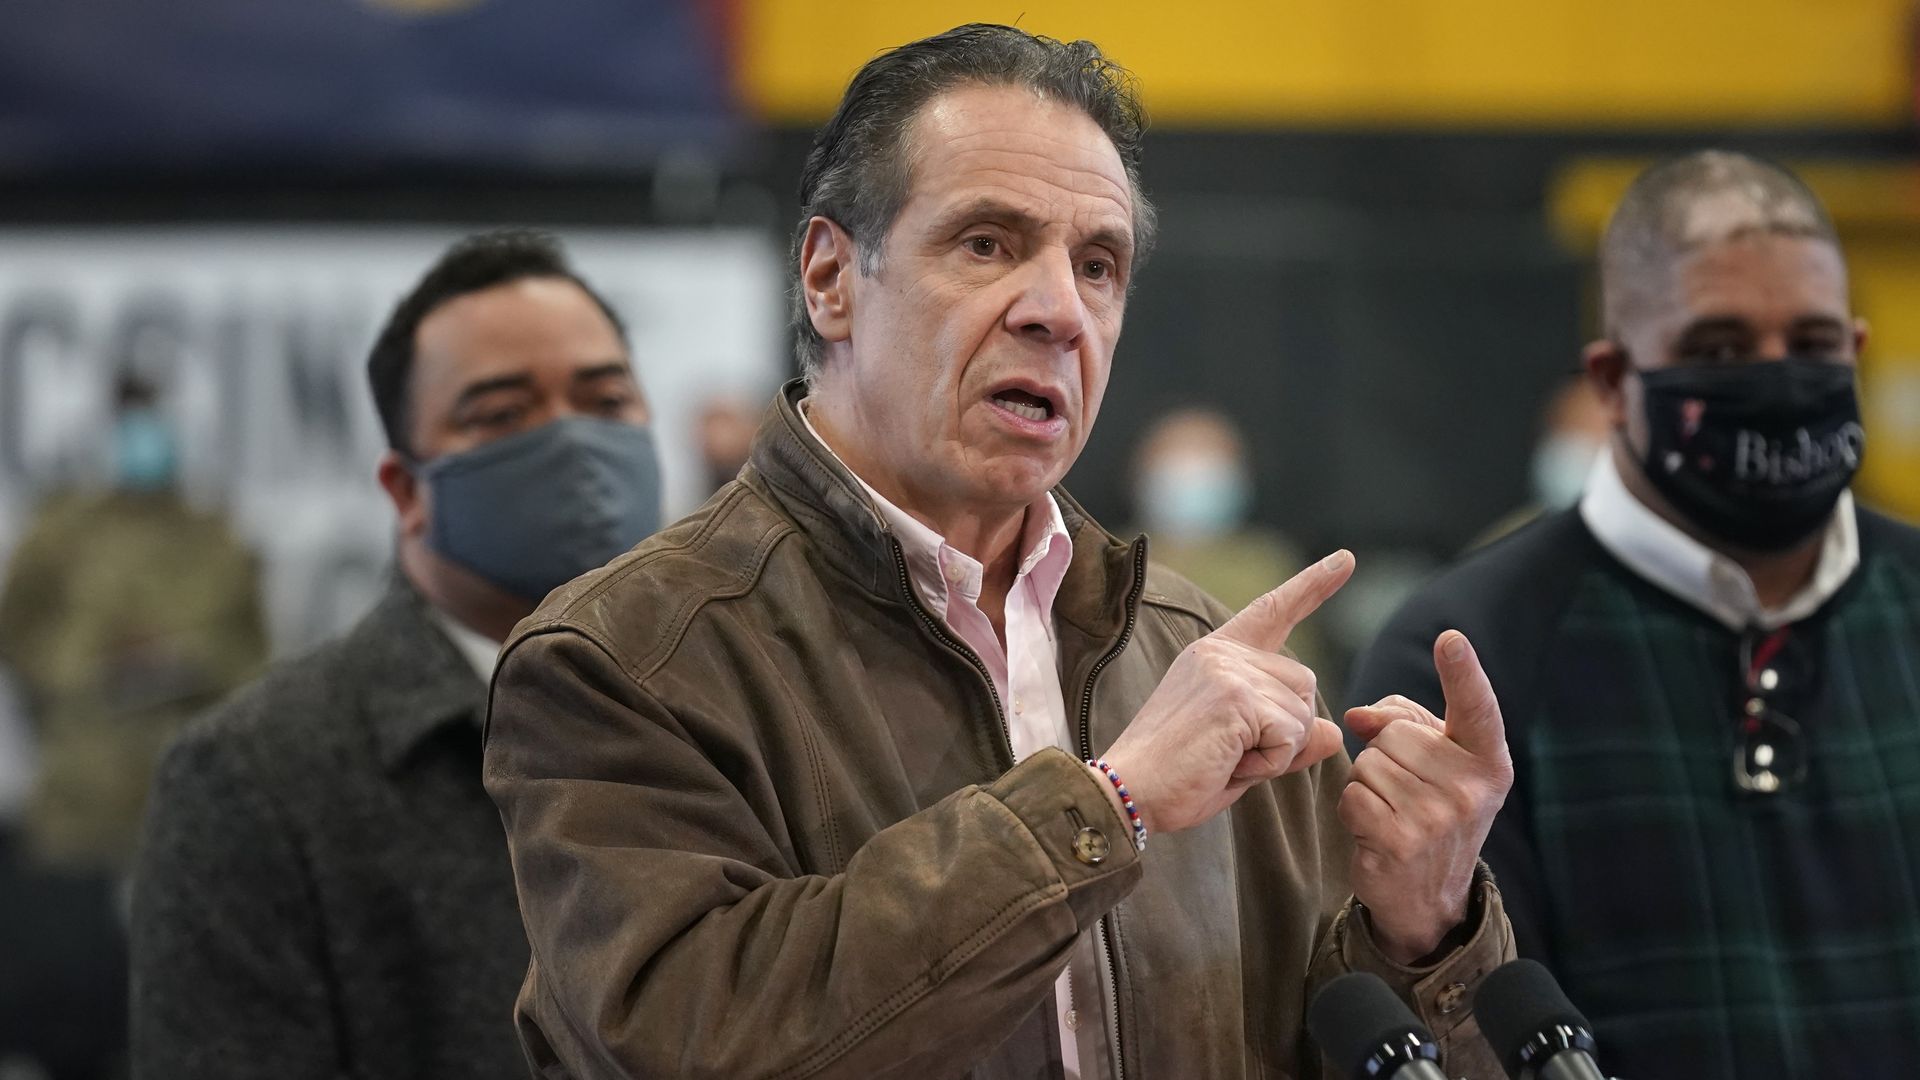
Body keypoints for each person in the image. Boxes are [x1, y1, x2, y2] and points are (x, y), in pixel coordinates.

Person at [485, 25, 1515, 1079]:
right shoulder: (623, 656)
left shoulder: (1191, 649)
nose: (1059, 310)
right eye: (987, 243)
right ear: (831, 278)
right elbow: (691, 1042)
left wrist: (1422, 937)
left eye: (1099, 265)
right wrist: (1105, 807)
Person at [1349, 151, 1920, 1079]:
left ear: (1853, 354)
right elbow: (1458, 1027)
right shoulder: (1462, 658)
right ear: (1615, 380)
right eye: (1723, 350)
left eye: (1811, 345)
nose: (1777, 382)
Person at [130, 230, 664, 1080]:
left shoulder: (744, 705)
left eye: (604, 402)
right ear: (407, 491)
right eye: (500, 414)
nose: (571, 447)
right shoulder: (257, 781)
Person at [0, 371, 268, 874]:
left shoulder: (215, 540)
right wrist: (77, 669)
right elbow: (15, 633)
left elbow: (256, 658)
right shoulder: (59, 535)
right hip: (83, 796)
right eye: (131, 421)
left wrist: (186, 664)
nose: (143, 438)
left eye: (153, 420)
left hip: (190, 800)